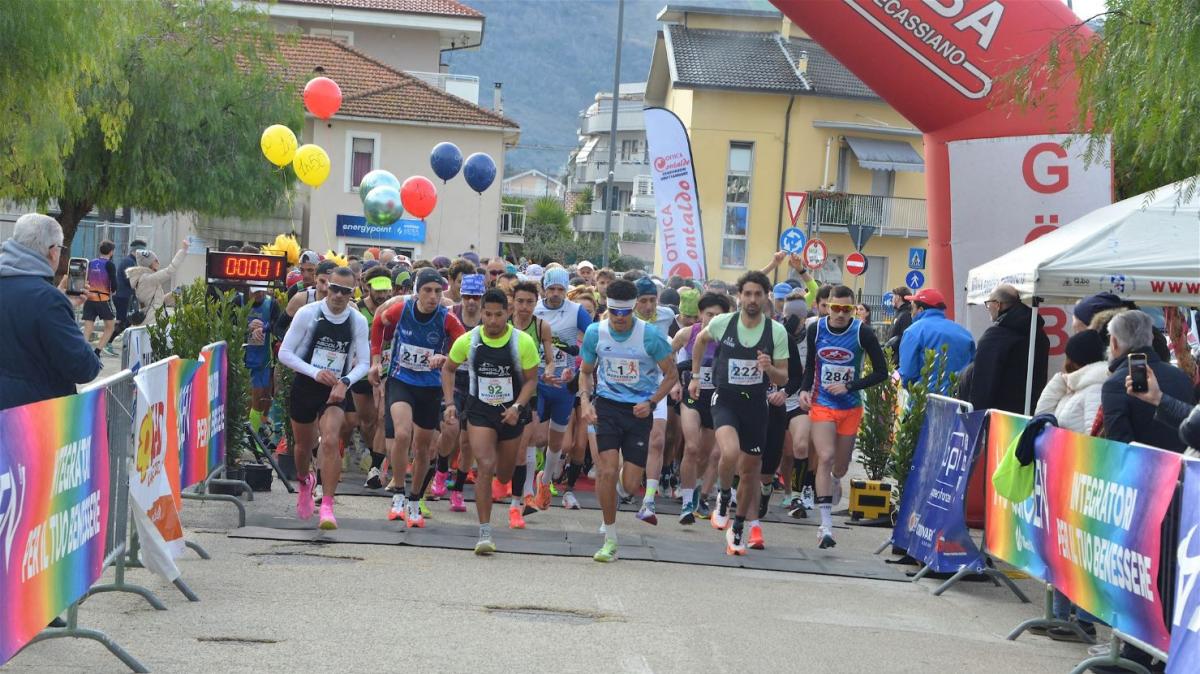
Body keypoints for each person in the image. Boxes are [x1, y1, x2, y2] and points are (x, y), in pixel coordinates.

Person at [687, 272, 788, 554]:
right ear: (739, 296)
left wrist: (769, 369)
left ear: (766, 296)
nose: (752, 299)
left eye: (758, 294)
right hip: (726, 399)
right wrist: (695, 376)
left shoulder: (776, 332)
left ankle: (740, 525)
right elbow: (699, 341)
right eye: (747, 294)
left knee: (750, 471)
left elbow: (783, 378)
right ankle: (723, 495)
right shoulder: (723, 323)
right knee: (729, 452)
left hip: (756, 405)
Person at [579, 279, 677, 562]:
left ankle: (617, 495)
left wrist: (652, 402)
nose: (620, 319)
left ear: (634, 309)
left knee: (631, 483)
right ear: (606, 307)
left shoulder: (650, 336)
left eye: (625, 313)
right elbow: (585, 372)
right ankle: (610, 538)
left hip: (638, 412)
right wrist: (586, 402)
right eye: (614, 312)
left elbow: (671, 375)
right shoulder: (595, 333)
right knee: (607, 471)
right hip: (607, 407)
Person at [442, 289, 540, 554]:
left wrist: (518, 406)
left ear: (508, 313)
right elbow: (448, 369)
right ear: (481, 313)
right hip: (480, 411)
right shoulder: (468, 341)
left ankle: (505, 484)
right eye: (488, 315)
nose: (493, 321)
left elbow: (531, 380)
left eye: (499, 315)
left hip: (512, 413)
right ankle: (484, 532)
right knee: (484, 465)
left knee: (504, 473)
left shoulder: (522, 343)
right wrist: (450, 403)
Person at [370, 268, 465, 526]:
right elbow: (379, 322)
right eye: (427, 290)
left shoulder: (447, 318)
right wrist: (376, 360)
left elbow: (465, 345)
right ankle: (398, 493)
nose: (433, 296)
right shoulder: (403, 309)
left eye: (437, 291)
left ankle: (414, 498)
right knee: (402, 434)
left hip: (430, 387)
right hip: (402, 381)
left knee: (423, 448)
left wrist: (447, 358)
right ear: (417, 291)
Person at [277, 266, 371, 529]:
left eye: (345, 292)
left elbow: (363, 362)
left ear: (354, 293)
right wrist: (315, 372)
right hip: (307, 386)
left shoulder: (357, 321)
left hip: (336, 390)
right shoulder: (309, 314)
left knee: (330, 440)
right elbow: (284, 353)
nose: (339, 296)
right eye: (335, 289)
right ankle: (305, 482)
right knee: (303, 448)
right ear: (326, 286)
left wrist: (345, 382)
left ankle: (328, 505)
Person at [1033, 328, 1108, 642]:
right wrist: (1060, 380)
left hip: (1083, 477)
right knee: (1065, 549)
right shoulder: (1076, 384)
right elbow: (1042, 411)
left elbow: (1095, 434)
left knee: (1079, 552)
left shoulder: (1094, 386)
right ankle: (1062, 617)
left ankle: (1082, 620)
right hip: (1068, 474)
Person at [800, 284, 888, 549]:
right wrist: (804, 389)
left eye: (846, 309)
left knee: (839, 465)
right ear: (825, 305)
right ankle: (825, 526)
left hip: (850, 406)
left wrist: (849, 386)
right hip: (822, 403)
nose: (840, 314)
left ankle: (837, 479)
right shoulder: (816, 329)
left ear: (853, 309)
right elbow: (810, 366)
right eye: (835, 308)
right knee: (824, 458)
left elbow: (881, 372)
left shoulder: (863, 333)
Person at [0, 213, 102, 410]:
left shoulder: (49, 299)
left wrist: (62, 301)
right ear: (53, 251)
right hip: (34, 420)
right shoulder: (48, 300)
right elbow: (83, 368)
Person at [533, 268, 592, 511]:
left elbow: (593, 338)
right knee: (535, 437)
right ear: (544, 288)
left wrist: (580, 365)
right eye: (551, 289)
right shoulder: (534, 308)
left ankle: (545, 481)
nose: (556, 294)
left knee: (558, 443)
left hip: (564, 383)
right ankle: (529, 488)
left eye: (560, 289)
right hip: (537, 380)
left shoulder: (576, 311)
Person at [671, 292, 732, 524]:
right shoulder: (688, 333)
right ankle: (687, 503)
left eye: (718, 315)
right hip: (692, 396)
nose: (713, 319)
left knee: (709, 454)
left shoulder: (731, 337)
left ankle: (699, 493)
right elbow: (668, 356)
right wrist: (675, 382)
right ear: (700, 314)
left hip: (717, 399)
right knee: (692, 447)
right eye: (709, 315)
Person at [1100, 310, 1195, 450]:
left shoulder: (1114, 384)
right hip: (1187, 467)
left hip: (1145, 469)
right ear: (1150, 338)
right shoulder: (1181, 376)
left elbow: (1119, 445)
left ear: (1114, 342)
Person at [432, 272, 485, 512]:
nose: (471, 301)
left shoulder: (490, 319)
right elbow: (437, 341)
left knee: (468, 443)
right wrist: (439, 356)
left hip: (478, 383)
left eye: (476, 296)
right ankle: (442, 470)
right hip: (452, 377)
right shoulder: (450, 313)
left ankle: (459, 489)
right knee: (450, 429)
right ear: (460, 295)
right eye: (467, 296)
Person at [964, 284, 1049, 414]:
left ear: (998, 304)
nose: (988, 308)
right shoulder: (1038, 334)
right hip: (1028, 413)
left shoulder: (995, 337)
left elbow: (983, 385)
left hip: (1000, 417)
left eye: (988, 303)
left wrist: (977, 418)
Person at [510, 280, 556, 519]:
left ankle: (526, 495)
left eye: (529, 302)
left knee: (527, 443)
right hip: (503, 391)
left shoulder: (541, 327)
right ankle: (514, 487)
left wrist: (548, 371)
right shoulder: (503, 324)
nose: (524, 307)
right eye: (520, 301)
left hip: (531, 390)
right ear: (513, 302)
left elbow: (549, 360)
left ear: (536, 303)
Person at [896, 288, 975, 394]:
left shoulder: (914, 331)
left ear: (921, 310)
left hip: (925, 400)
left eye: (912, 308)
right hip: (959, 399)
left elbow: (907, 374)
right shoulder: (964, 333)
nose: (911, 312)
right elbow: (972, 367)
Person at [244, 286, 282, 441]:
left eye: (261, 291)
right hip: (243, 358)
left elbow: (278, 325)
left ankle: (258, 428)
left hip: (264, 358)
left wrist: (264, 328)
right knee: (248, 396)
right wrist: (246, 327)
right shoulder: (238, 300)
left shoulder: (271, 304)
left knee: (263, 396)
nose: (258, 294)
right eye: (254, 291)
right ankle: (247, 431)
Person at [125, 239, 189, 326]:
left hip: (150, 321)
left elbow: (158, 302)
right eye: (156, 260)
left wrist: (175, 293)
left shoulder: (146, 279)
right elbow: (169, 271)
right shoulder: (147, 279)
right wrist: (183, 251)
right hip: (151, 322)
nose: (158, 262)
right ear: (150, 264)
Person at [78, 240, 119, 358]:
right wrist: (114, 290)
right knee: (110, 326)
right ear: (111, 252)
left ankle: (83, 351)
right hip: (102, 299)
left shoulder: (91, 262)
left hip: (89, 298)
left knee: (88, 327)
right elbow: (113, 281)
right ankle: (97, 351)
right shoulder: (110, 264)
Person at [112, 238, 145, 341]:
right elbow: (129, 281)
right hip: (123, 297)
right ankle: (107, 342)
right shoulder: (128, 262)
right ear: (136, 251)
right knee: (123, 322)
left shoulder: (132, 261)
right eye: (142, 252)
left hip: (126, 296)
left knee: (127, 321)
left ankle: (108, 341)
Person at [885, 286, 914, 358]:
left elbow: (905, 337)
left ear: (898, 297)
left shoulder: (906, 314)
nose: (891, 299)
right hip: (893, 356)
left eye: (893, 297)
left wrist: (891, 344)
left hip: (898, 358)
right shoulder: (899, 313)